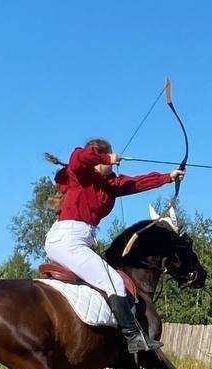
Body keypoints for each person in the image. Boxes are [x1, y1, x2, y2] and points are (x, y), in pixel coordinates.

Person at [44, 138, 185, 353]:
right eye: (109, 159)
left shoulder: (111, 185)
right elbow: (78, 155)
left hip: (76, 241)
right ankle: (133, 338)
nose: (113, 163)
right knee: (115, 284)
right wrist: (106, 157)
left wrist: (168, 176)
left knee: (104, 282)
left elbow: (137, 183)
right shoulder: (80, 174)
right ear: (100, 158)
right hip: (67, 240)